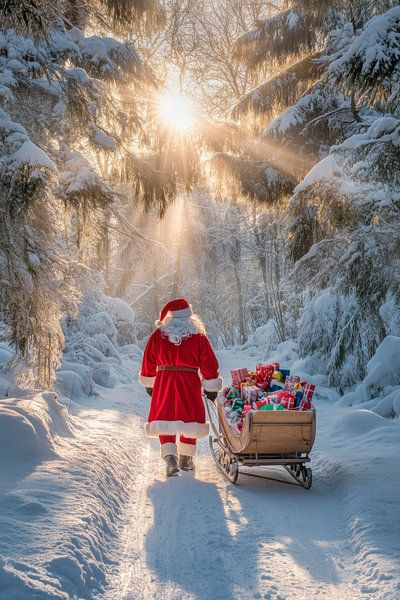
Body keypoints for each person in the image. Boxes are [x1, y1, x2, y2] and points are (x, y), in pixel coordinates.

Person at [139, 298, 223, 477]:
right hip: (189, 381)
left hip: (164, 381)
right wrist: (210, 384)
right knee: (189, 417)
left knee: (165, 416)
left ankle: (170, 457)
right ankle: (185, 457)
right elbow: (209, 361)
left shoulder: (158, 334)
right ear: (189, 317)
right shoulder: (198, 336)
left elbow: (148, 359)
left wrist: (149, 381)